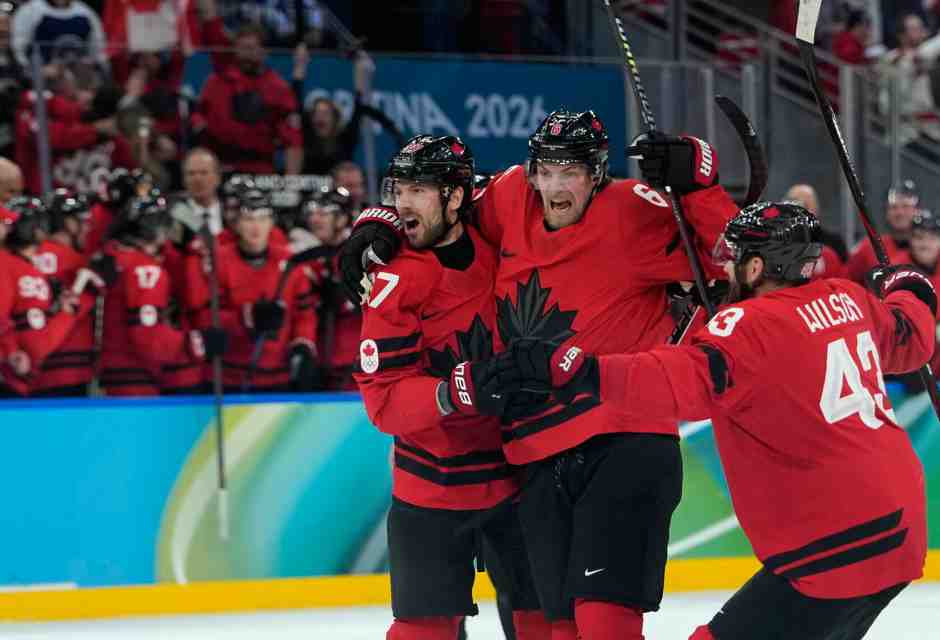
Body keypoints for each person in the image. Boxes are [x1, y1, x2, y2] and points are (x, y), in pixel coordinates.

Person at [342, 111, 739, 638]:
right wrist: (380, 220)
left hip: (583, 449)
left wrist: (699, 181)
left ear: (597, 172)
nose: (552, 186)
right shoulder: (501, 204)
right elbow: (384, 400)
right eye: (544, 170)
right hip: (509, 461)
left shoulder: (631, 212)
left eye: (569, 171)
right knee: (544, 628)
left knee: (588, 623)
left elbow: (733, 259)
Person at [510, 201, 933, 640]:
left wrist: (582, 371)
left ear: (755, 268)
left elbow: (675, 384)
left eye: (734, 261)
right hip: (900, 529)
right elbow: (910, 340)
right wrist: (910, 288)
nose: (725, 271)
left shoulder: (748, 326)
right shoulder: (847, 298)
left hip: (832, 544)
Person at [352, 135, 549, 640]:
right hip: (431, 489)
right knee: (424, 631)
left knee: (543, 622)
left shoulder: (502, 249)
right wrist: (457, 390)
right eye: (398, 189)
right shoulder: (394, 281)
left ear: (456, 198)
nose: (402, 203)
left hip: (516, 478)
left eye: (420, 189)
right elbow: (385, 405)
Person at [186, 188, 318, 392]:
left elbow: (304, 314)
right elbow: (204, 317)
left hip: (279, 377)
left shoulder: (291, 263)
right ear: (237, 224)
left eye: (262, 218)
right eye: (248, 219)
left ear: (271, 223)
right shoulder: (217, 261)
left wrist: (302, 345)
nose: (256, 227)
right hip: (230, 378)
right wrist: (246, 317)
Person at [99, 195, 226, 396]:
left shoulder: (116, 258)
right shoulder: (145, 269)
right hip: (135, 374)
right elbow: (147, 336)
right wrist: (195, 344)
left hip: (117, 371)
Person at [0, 196, 91, 397]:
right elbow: (37, 346)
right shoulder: (21, 271)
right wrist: (70, 310)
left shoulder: (17, 266)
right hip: (18, 378)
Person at [192, 19, 303, 174]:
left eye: (251, 48)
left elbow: (292, 141)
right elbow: (198, 121)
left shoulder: (278, 88)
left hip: (260, 169)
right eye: (241, 48)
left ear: (263, 51)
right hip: (220, 168)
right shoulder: (215, 83)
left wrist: (291, 185)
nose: (245, 54)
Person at [31, 189, 95, 396]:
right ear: (68, 223)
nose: (88, 227)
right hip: (70, 370)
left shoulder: (26, 256)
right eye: (83, 221)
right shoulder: (75, 261)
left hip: (32, 369)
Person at [845, 179, 917, 283]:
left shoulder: (931, 251)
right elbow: (845, 282)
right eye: (893, 207)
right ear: (886, 213)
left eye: (906, 207)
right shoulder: (869, 247)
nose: (900, 213)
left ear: (917, 210)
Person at [783, 183, 846, 280]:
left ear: (815, 209)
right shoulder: (776, 245)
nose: (798, 211)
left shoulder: (834, 245)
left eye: (805, 206)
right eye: (792, 203)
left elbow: (844, 282)